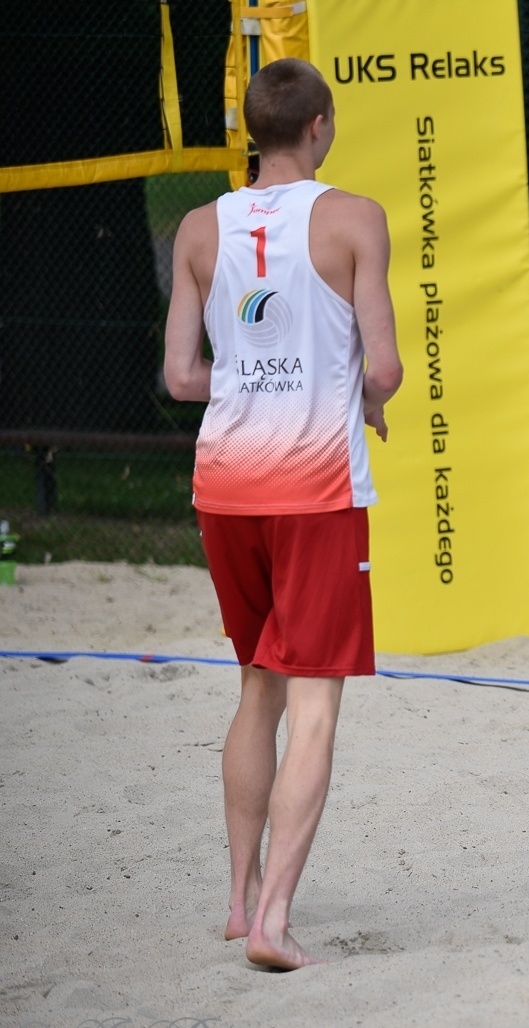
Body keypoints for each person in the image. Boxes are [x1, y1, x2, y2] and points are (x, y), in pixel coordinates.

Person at [163, 58, 403, 968]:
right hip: (313, 488)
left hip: (225, 482)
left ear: (251, 133)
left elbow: (184, 377)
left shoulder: (196, 227)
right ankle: (273, 923)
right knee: (316, 705)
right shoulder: (354, 217)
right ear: (320, 126)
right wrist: (362, 394)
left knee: (256, 686)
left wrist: (249, 381)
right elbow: (380, 367)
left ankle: (236, 900)